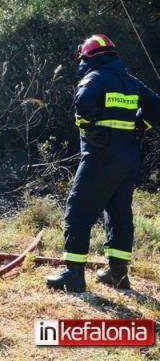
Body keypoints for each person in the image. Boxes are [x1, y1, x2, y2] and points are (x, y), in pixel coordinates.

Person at [46, 34, 160, 293]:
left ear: (88, 57)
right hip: (128, 157)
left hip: (100, 156)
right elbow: (157, 106)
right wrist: (140, 124)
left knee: (78, 210)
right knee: (119, 213)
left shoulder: (94, 78)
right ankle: (118, 275)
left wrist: (89, 127)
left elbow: (83, 101)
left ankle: (73, 275)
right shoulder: (131, 82)